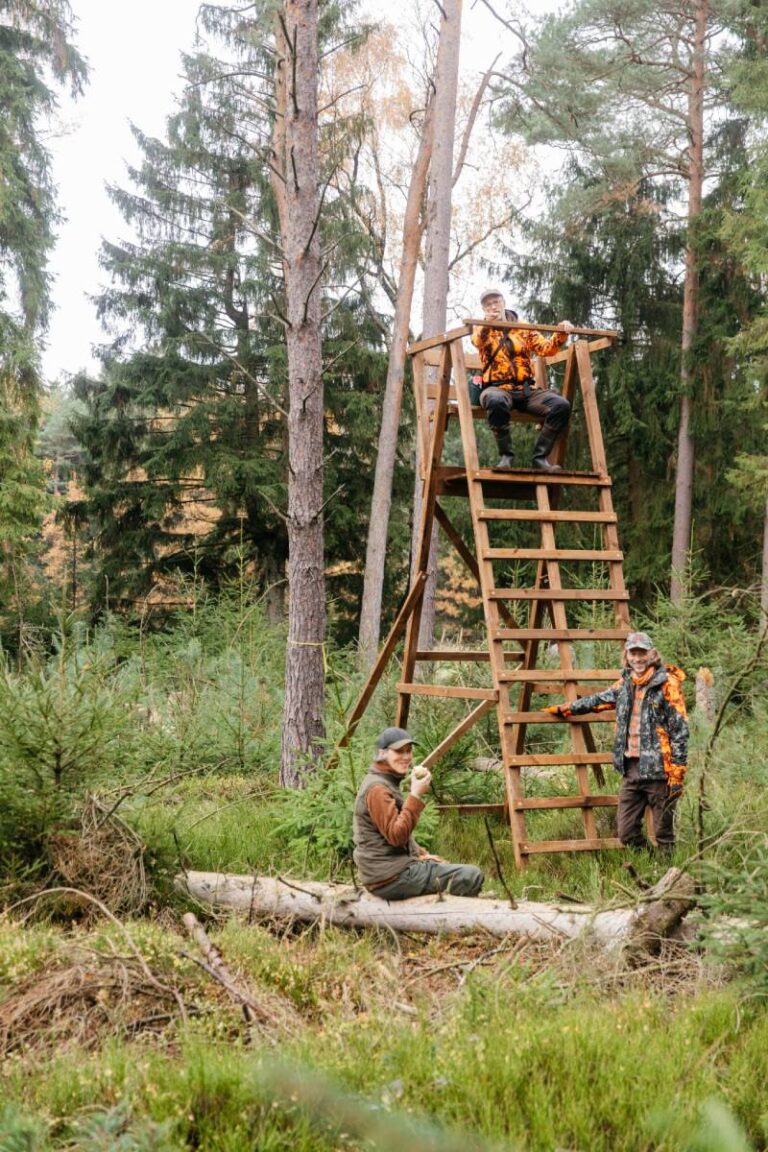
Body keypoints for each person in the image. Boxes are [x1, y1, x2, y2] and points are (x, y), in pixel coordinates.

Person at [545, 632, 689, 852]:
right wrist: (567, 708)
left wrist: (677, 773)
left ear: (652, 654)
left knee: (664, 834)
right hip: (631, 770)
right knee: (627, 832)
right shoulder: (625, 684)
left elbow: (680, 730)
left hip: (661, 772)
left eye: (642, 653)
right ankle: (650, 864)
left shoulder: (667, 684)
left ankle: (668, 876)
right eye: (633, 653)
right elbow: (599, 700)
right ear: (627, 655)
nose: (638, 658)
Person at [352, 727, 484, 899]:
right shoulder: (377, 789)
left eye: (409, 751)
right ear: (381, 753)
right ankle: (449, 920)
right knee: (471, 876)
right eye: (399, 751)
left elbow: (394, 837)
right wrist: (415, 795)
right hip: (390, 878)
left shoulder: (386, 782)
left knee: (444, 865)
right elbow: (396, 836)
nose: (406, 757)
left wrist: (421, 854)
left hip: (387, 873)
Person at [471, 287, 575, 472]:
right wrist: (487, 323)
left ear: (504, 303)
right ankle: (506, 457)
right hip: (497, 388)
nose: (493, 307)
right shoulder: (481, 327)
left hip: (525, 391)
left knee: (561, 406)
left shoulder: (523, 327)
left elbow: (546, 349)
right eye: (488, 305)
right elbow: (477, 341)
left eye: (496, 302)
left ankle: (540, 458)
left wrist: (561, 332)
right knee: (495, 400)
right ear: (483, 310)